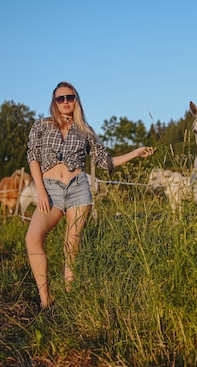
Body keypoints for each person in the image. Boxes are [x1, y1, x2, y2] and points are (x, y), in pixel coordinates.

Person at [25, 81, 154, 309]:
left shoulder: (85, 130)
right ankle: (45, 299)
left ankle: (70, 297)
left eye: (70, 97)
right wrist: (41, 191)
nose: (65, 102)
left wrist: (136, 152)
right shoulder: (41, 126)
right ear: (54, 102)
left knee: (71, 246)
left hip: (78, 188)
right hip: (51, 189)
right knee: (32, 238)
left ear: (76, 100)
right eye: (60, 98)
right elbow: (33, 157)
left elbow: (106, 162)